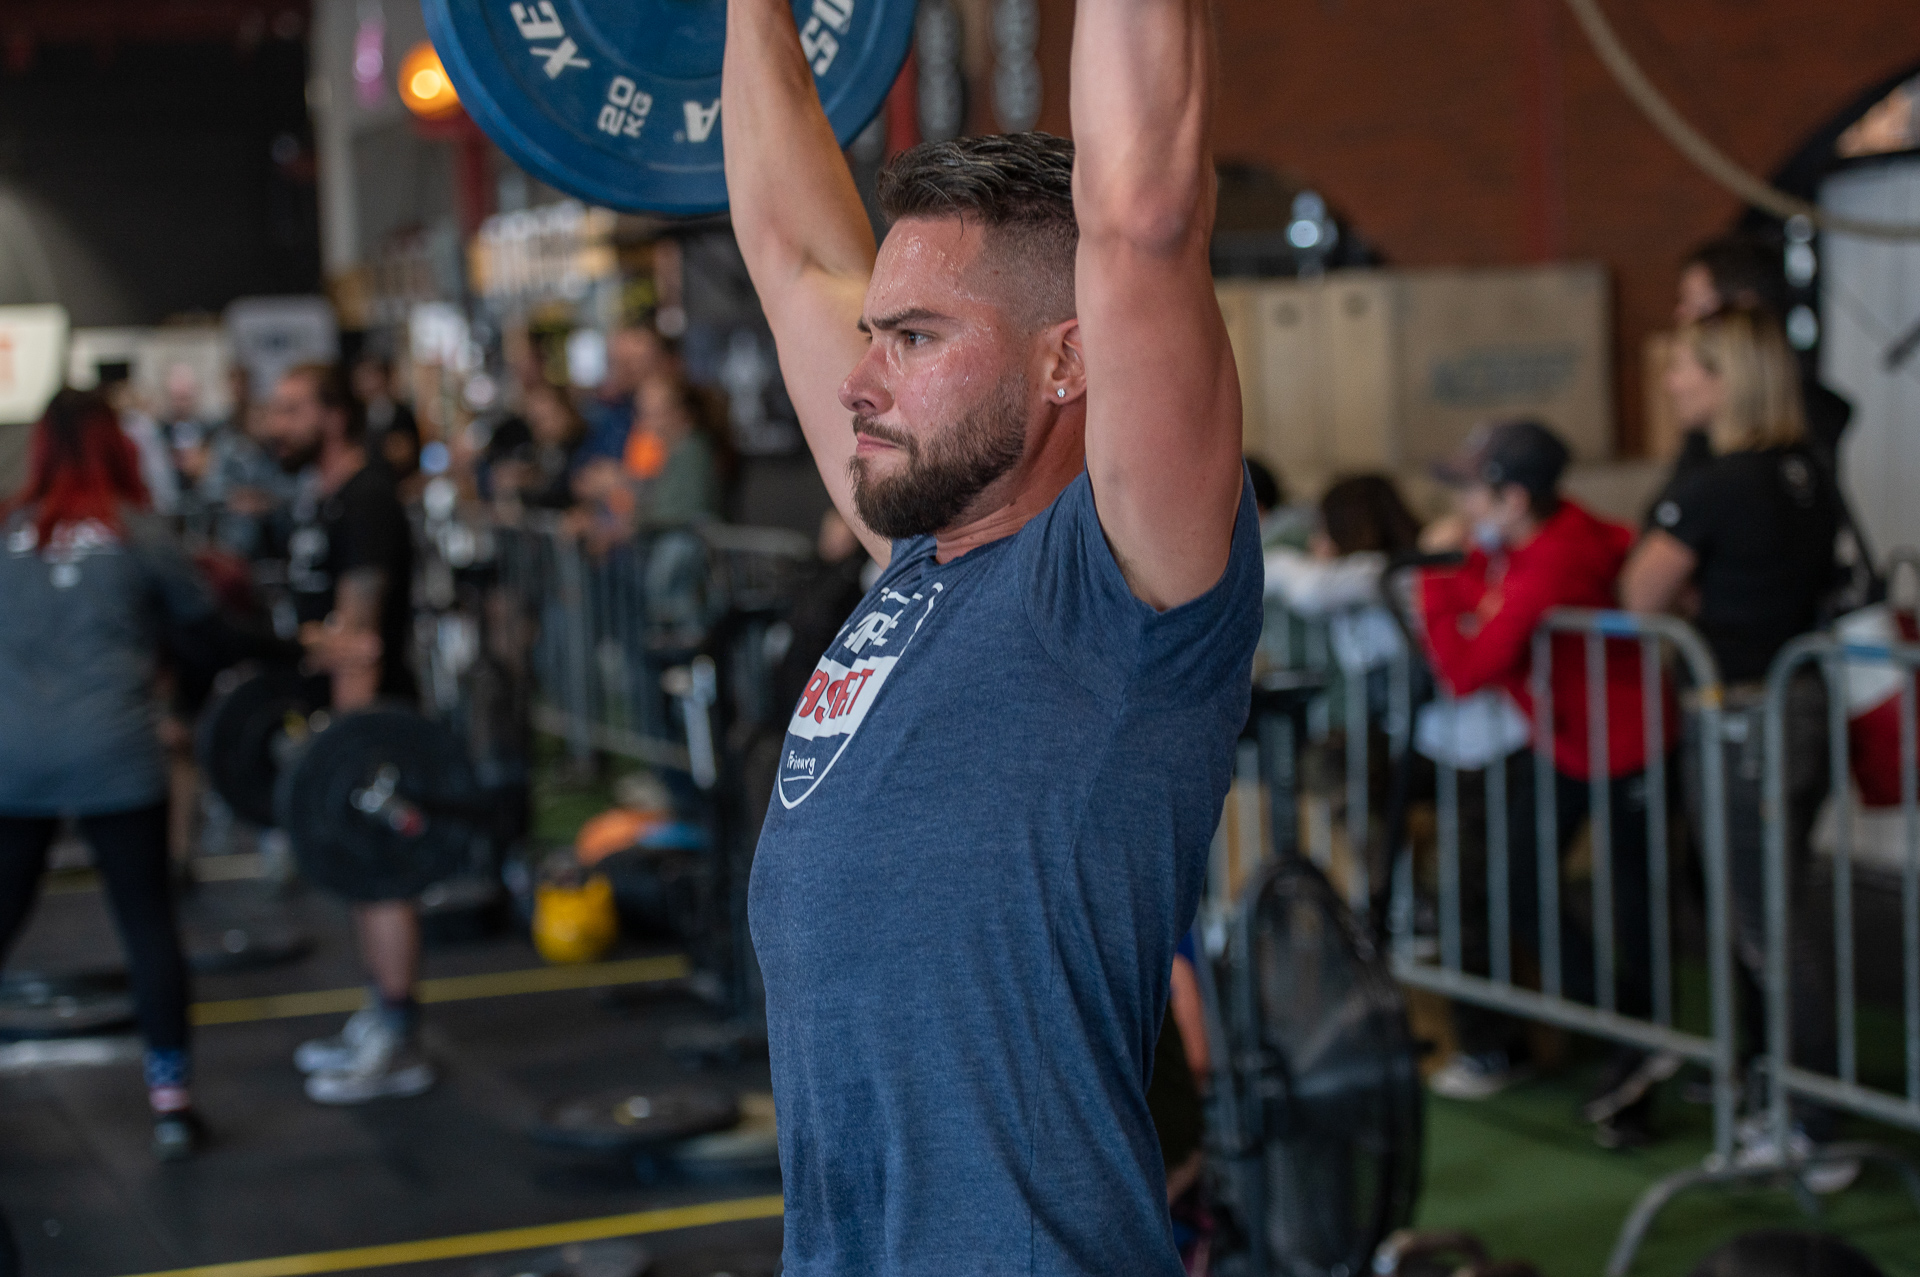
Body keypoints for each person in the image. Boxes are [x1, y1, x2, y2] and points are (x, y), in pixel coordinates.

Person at [723, 0, 1261, 1268]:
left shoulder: (1119, 589)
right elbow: (791, 252)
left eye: (914, 338)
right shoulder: (914, 553)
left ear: (1072, 361)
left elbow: (1143, 219)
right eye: (875, 336)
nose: (862, 378)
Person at [0, 390, 333, 1160]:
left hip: (15, 756)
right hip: (112, 751)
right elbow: (212, 638)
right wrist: (298, 651)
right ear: (117, 445)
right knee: (147, 923)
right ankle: (173, 1105)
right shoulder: (137, 530)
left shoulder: (7, 531)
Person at [1621, 304, 1848, 1182]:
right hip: (1798, 712)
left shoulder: (1718, 484)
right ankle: (1795, 1098)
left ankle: (1815, 1121)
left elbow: (1641, 592)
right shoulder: (1805, 470)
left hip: (1745, 719)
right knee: (1778, 913)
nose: (1674, 381)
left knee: (1768, 924)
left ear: (1726, 379)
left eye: (1687, 366)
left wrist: (1689, 600)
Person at [1415, 420, 1672, 1148]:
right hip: (1570, 743)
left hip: (1627, 746)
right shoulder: (1542, 538)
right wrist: (1461, 571)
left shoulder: (1549, 561)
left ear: (1515, 497)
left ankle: (1637, 1049)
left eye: (1472, 490)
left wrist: (1434, 574)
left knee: (1639, 908)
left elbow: (1465, 670)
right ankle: (1631, 1031)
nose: (1462, 505)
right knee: (1520, 885)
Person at [262, 363, 432, 1105]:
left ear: (334, 417)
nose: (278, 424)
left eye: (293, 409)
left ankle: (399, 1041)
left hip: (372, 718)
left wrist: (345, 738)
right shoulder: (320, 498)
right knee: (361, 880)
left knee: (381, 875)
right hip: (340, 715)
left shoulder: (365, 500)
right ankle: (379, 1014)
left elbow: (358, 641)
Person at [578, 325, 676, 464]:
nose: (626, 370)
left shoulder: (671, 410)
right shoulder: (604, 411)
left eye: (634, 361)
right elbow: (583, 463)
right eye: (618, 362)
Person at [351, 355, 422, 481]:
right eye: (361, 377)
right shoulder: (355, 415)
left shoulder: (402, 413)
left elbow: (408, 451)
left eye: (371, 375)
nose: (366, 382)